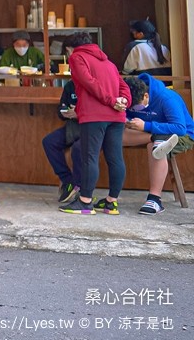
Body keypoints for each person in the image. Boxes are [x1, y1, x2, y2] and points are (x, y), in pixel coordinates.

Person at [59, 31, 131, 215]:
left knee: (89, 157)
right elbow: (123, 86)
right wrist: (123, 101)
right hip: (116, 117)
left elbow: (88, 82)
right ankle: (111, 203)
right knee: (115, 158)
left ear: (70, 48)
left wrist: (109, 100)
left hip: (94, 115)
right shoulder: (108, 62)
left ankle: (85, 202)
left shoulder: (77, 57)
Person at [127, 74, 194, 214]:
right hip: (150, 133)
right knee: (114, 136)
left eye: (136, 106)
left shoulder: (167, 98)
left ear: (146, 96)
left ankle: (154, 199)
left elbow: (179, 128)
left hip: (182, 135)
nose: (134, 109)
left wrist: (146, 126)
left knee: (156, 147)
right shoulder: (129, 96)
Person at [41, 77, 83, 204]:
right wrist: (64, 112)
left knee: (78, 148)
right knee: (49, 142)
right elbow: (61, 107)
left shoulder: (91, 84)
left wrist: (79, 113)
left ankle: (80, 187)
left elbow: (97, 111)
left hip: (90, 127)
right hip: (72, 127)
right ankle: (67, 180)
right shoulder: (70, 85)